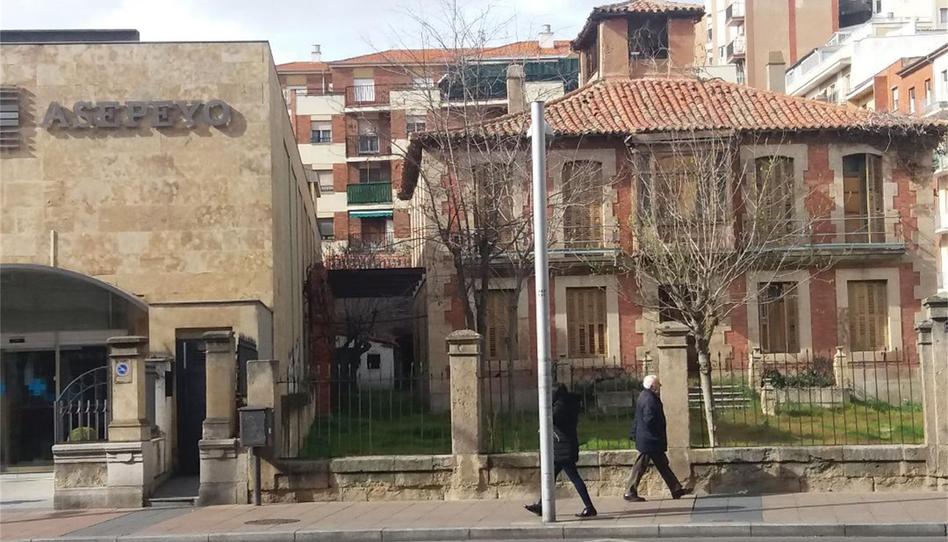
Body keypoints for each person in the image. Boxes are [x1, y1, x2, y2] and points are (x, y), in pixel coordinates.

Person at [525, 384, 597, 518]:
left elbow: (551, 419)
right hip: (563, 447)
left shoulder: (560, 407)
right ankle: (542, 505)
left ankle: (589, 507)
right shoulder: (568, 404)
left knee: (574, 478)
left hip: (563, 449)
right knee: (550, 477)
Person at [624, 375, 692, 502]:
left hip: (649, 439)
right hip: (650, 439)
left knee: (663, 465)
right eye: (658, 384)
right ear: (652, 386)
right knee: (640, 467)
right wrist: (658, 431)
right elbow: (649, 419)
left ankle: (676, 489)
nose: (660, 387)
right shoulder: (649, 399)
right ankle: (629, 491)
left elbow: (638, 418)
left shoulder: (644, 396)